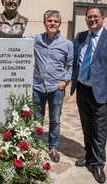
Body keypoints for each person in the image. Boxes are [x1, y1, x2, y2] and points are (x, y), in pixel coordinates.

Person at [26, 10, 73, 163]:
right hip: (38, 87)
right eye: (49, 21)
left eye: (55, 21)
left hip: (56, 89)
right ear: (44, 22)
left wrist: (65, 81)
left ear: (59, 24)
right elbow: (18, 41)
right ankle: (38, 146)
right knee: (37, 119)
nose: (52, 23)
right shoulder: (36, 39)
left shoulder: (67, 44)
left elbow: (71, 66)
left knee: (55, 119)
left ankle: (53, 147)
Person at [71, 5, 107, 183]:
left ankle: (99, 164)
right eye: (89, 17)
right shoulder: (80, 37)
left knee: (100, 130)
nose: (92, 19)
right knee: (86, 126)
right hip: (82, 89)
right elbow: (75, 60)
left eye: (95, 16)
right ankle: (88, 156)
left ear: (103, 18)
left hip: (101, 92)